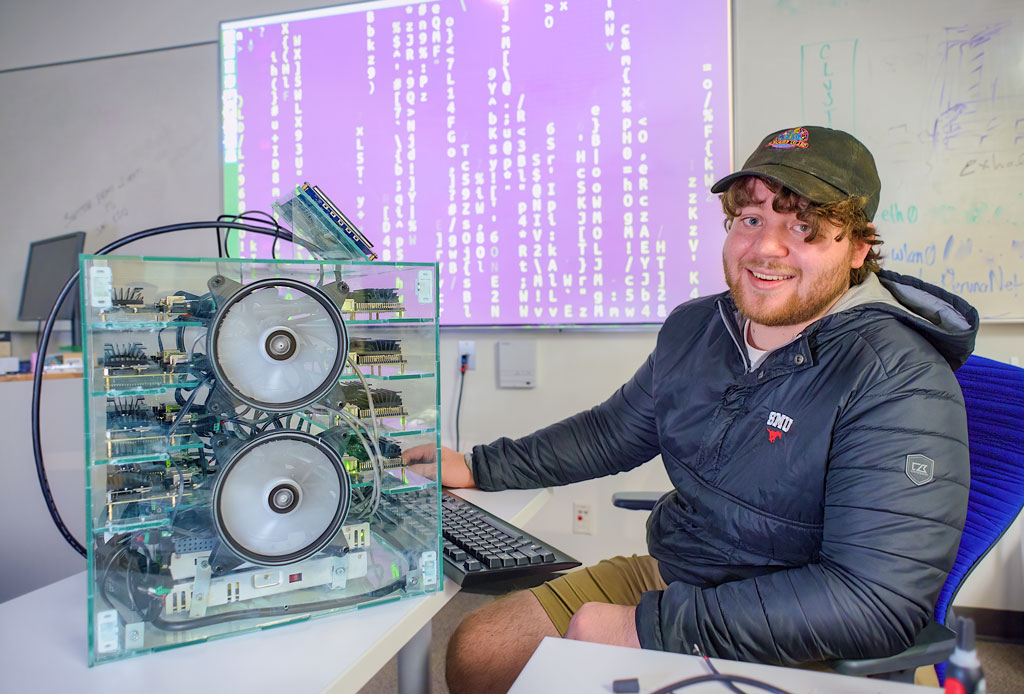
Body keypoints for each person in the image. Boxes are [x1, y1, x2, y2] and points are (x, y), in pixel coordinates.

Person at [406, 125, 979, 693]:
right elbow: (614, 431)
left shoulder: (898, 377)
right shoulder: (698, 327)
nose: (766, 248)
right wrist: (478, 467)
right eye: (751, 219)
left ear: (857, 248)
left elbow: (873, 603)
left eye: (804, 227)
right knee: (481, 651)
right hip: (681, 575)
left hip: (806, 629)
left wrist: (648, 629)